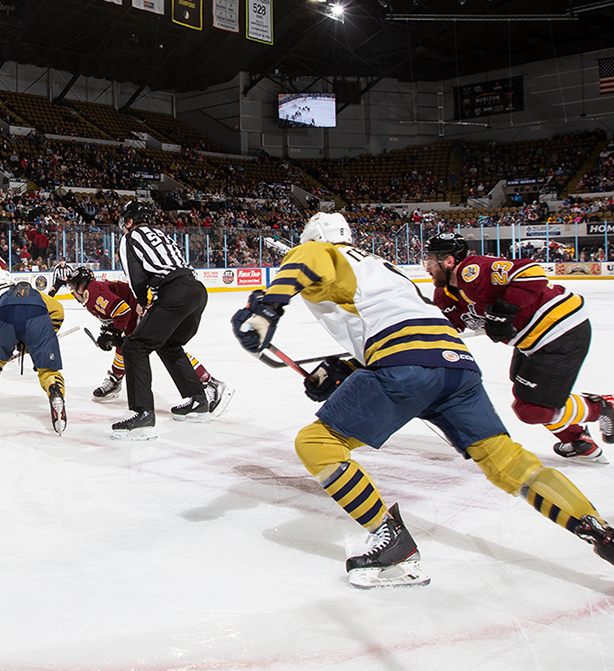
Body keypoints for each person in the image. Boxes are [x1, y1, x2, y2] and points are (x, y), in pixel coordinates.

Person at [231, 211, 614, 588]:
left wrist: (265, 307)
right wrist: (348, 371)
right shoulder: (381, 267)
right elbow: (399, 323)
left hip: (405, 362)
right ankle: (595, 528)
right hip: (457, 366)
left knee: (316, 444)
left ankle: (391, 541)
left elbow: (310, 259)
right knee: (507, 460)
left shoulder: (326, 254)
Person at [425, 233, 614, 462]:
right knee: (525, 394)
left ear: (449, 261)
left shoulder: (473, 270)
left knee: (531, 409)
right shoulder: (443, 295)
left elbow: (531, 273)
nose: (427, 267)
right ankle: (577, 440)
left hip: (560, 328)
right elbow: (446, 329)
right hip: (533, 340)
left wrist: (505, 309)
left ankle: (603, 406)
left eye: (431, 261)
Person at [61, 264, 232, 416]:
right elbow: (114, 313)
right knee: (139, 346)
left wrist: (113, 332)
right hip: (143, 306)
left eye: (73, 288)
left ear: (81, 286)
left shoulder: (93, 293)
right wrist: (109, 331)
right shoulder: (93, 291)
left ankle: (208, 382)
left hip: (139, 309)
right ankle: (115, 379)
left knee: (156, 347)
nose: (72, 292)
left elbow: (122, 312)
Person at [112, 200, 208, 436]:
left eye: (125, 221)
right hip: (197, 290)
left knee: (134, 346)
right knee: (169, 344)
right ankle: (198, 400)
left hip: (174, 293)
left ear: (130, 220)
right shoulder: (160, 234)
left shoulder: (130, 238)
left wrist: (143, 304)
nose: (124, 226)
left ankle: (143, 413)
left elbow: (136, 277)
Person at [0, 268, 66, 434]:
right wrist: (44, 337)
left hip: (5, 321)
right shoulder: (33, 291)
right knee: (47, 370)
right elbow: (58, 310)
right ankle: (55, 391)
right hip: (37, 319)